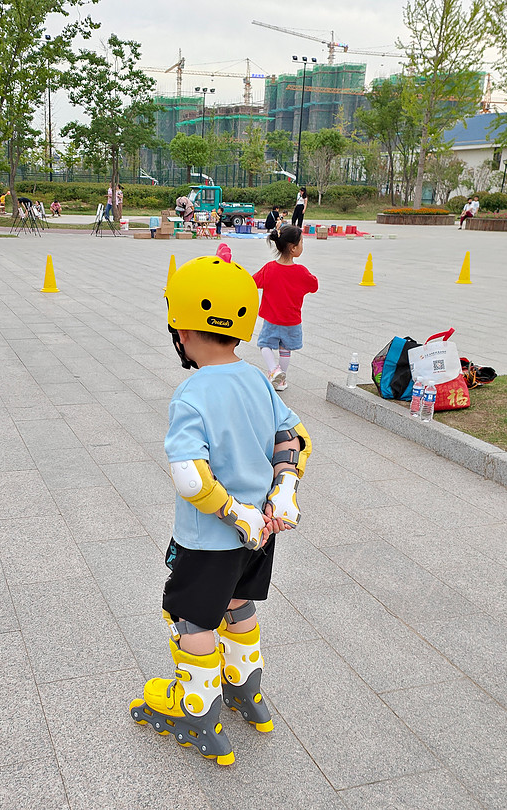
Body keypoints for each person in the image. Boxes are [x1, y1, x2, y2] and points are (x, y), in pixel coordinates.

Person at [130, 250, 312, 766]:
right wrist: (281, 494)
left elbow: (190, 476)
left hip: (209, 540)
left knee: (193, 620)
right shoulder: (257, 378)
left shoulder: (191, 395)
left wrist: (236, 513)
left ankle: (197, 713)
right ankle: (247, 694)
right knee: (237, 604)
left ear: (182, 330)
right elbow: (293, 436)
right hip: (261, 535)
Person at [254, 225, 320, 392]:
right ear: (293, 248)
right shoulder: (301, 272)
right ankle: (281, 379)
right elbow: (314, 285)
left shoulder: (269, 269)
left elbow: (252, 282)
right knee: (286, 349)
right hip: (292, 320)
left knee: (265, 345)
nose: (302, 246)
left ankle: (274, 370)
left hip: (272, 319)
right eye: (302, 243)